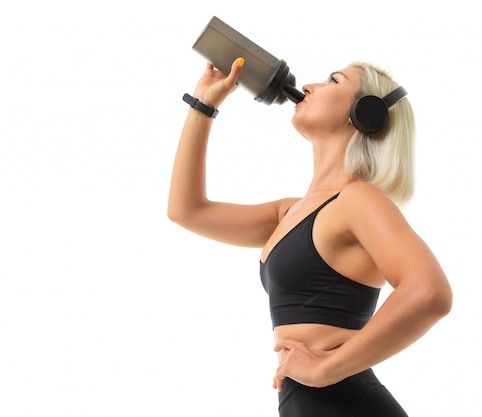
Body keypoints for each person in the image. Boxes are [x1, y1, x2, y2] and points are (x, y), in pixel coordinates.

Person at [168, 56, 452, 416]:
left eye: (333, 81)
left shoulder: (358, 200)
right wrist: (203, 104)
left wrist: (326, 368)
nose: (307, 87)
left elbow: (430, 293)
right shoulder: (289, 212)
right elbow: (187, 210)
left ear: (366, 113)